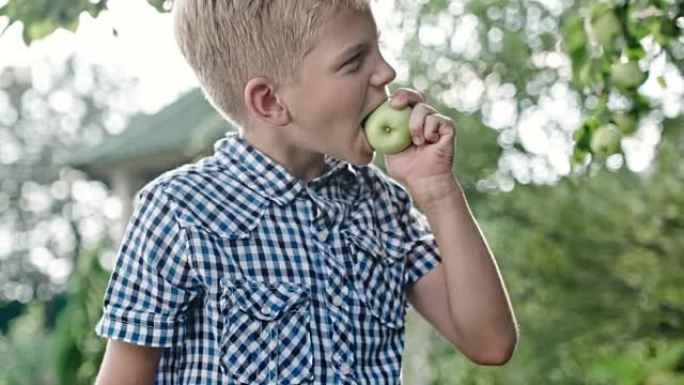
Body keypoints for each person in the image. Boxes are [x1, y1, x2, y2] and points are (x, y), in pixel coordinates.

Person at [93, 1, 518, 384]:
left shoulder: (381, 205)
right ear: (270, 101)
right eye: (354, 61)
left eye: (377, 47)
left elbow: (489, 342)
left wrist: (437, 190)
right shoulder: (179, 211)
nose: (386, 72)